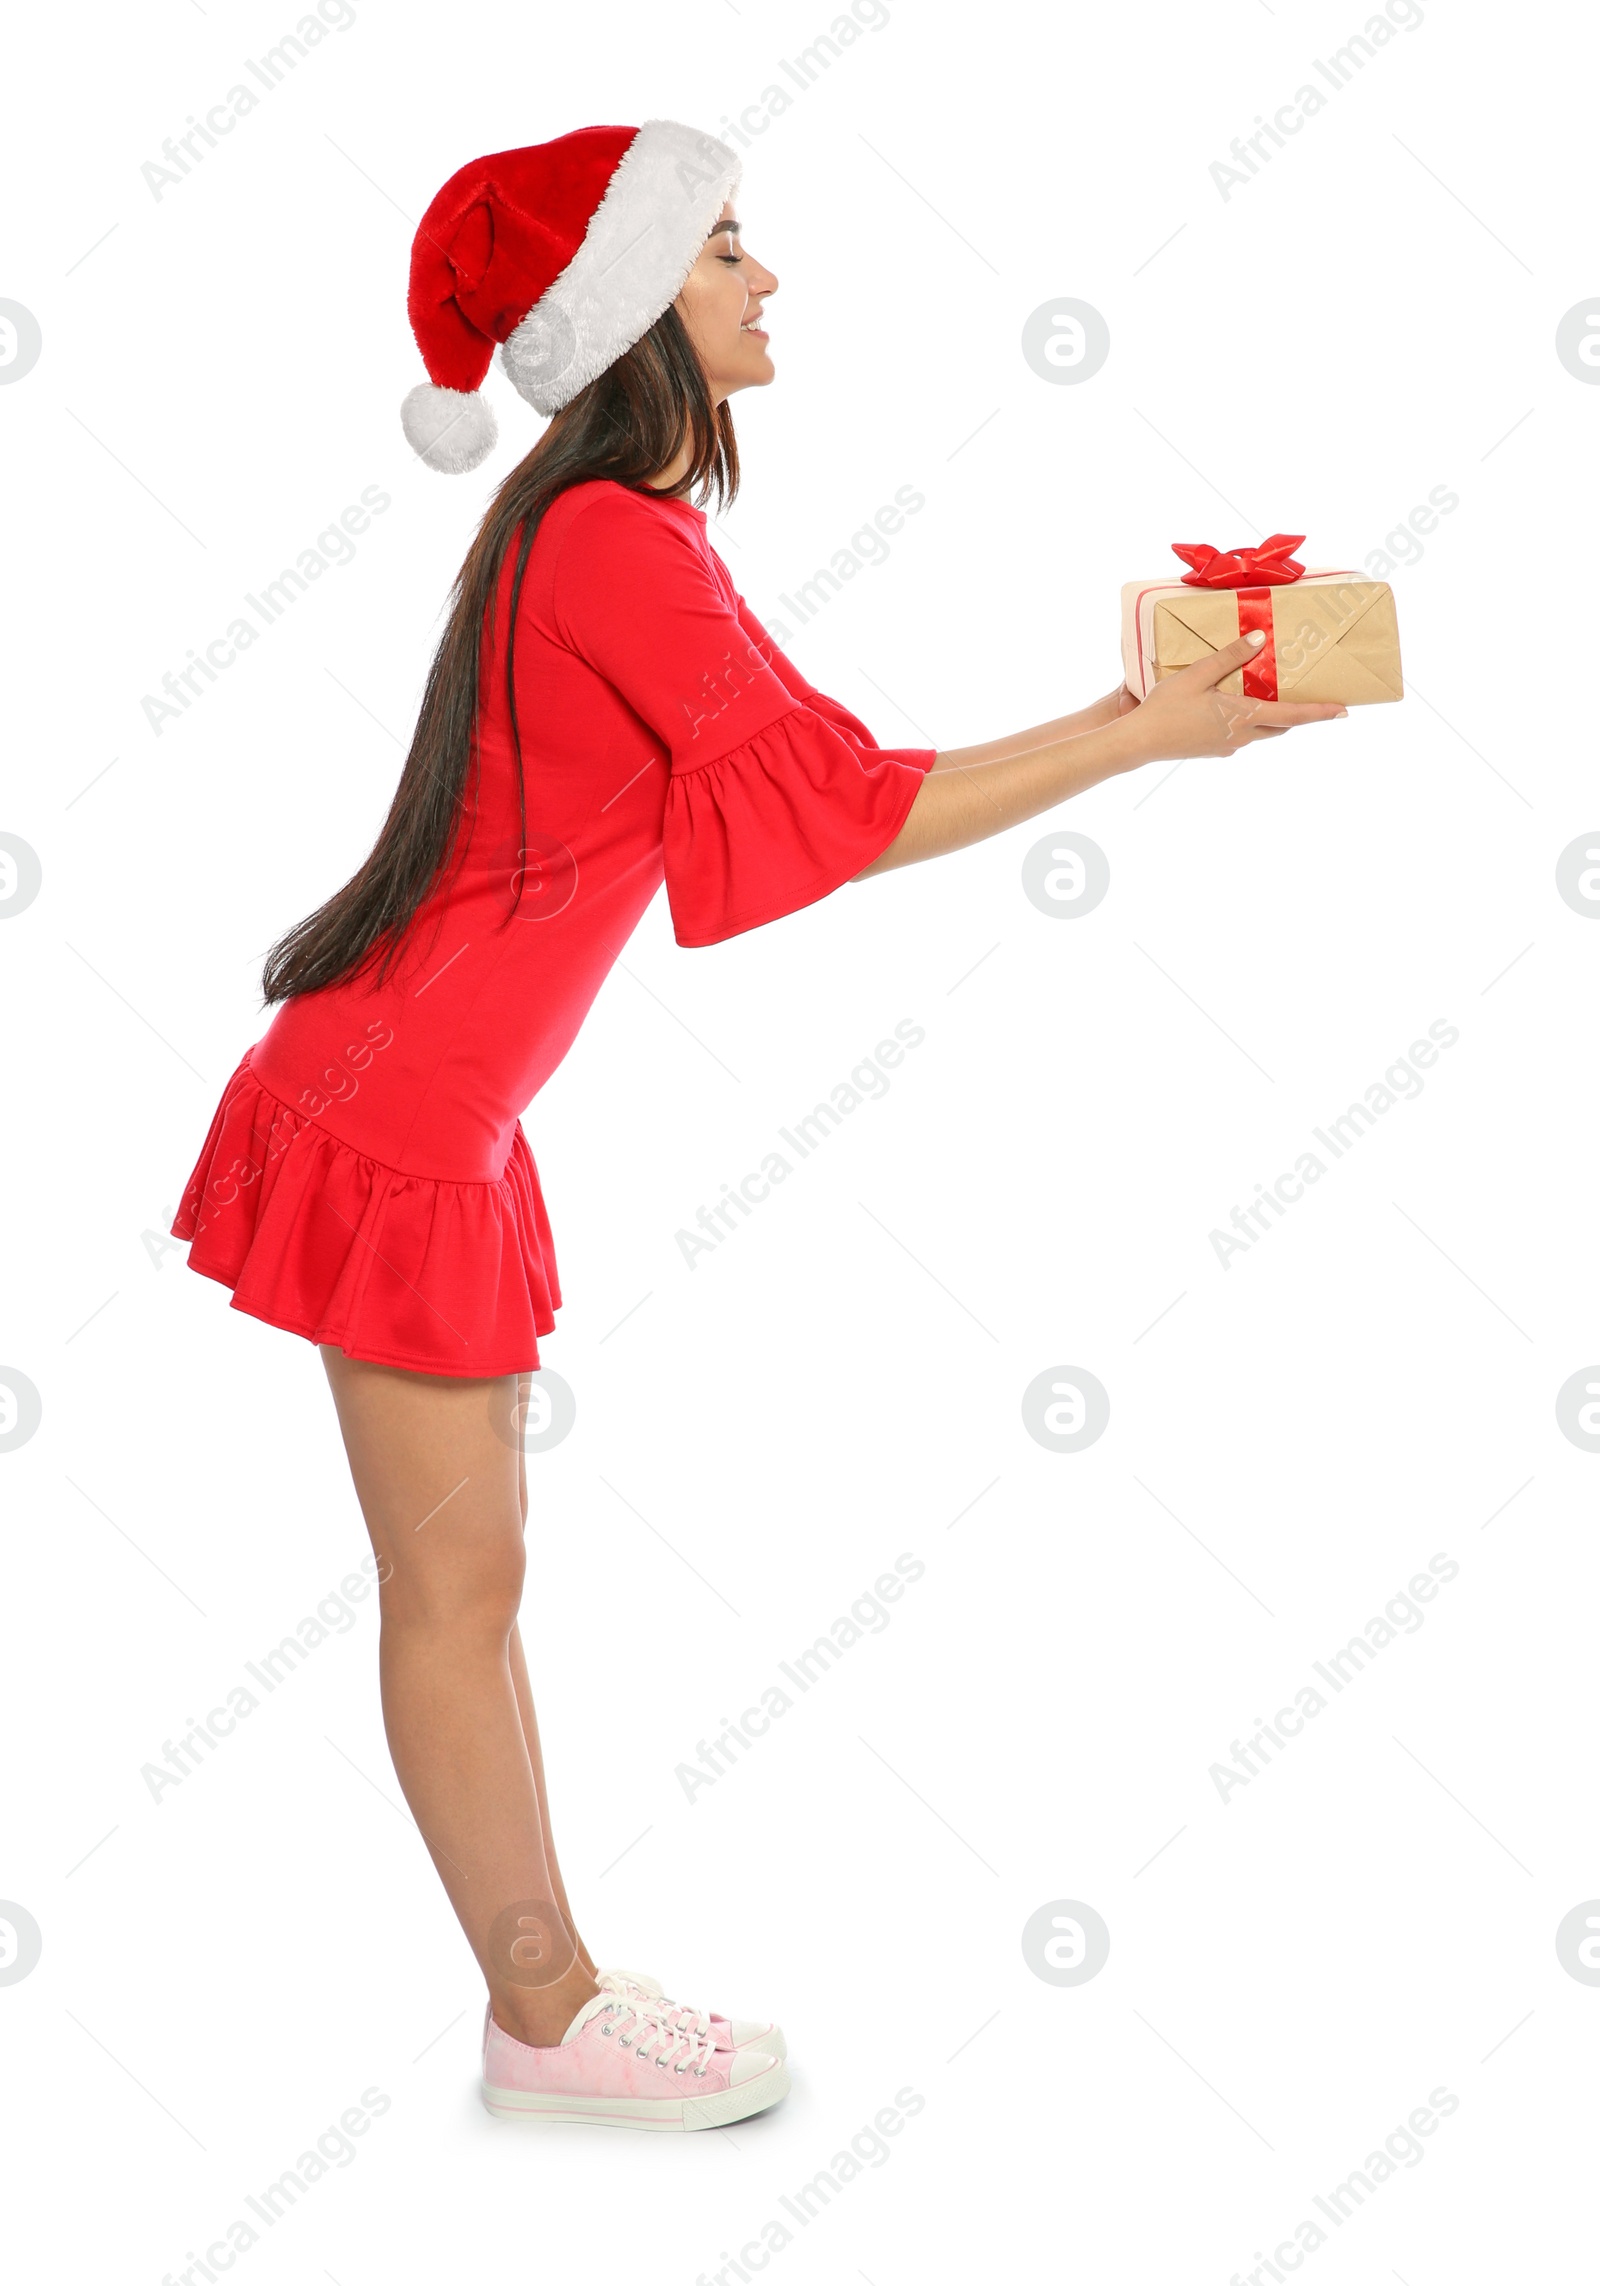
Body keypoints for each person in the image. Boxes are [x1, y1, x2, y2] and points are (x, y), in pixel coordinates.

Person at [168, 119, 1345, 2133]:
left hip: (416, 1111)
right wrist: (1146, 733)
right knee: (455, 1598)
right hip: (392, 1122)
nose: (765, 278)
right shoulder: (608, 537)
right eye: (724, 250)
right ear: (632, 310)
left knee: (475, 1582)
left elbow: (820, 786)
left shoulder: (606, 527)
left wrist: (1130, 719)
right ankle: (541, 2020)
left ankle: (545, 1998)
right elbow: (844, 817)